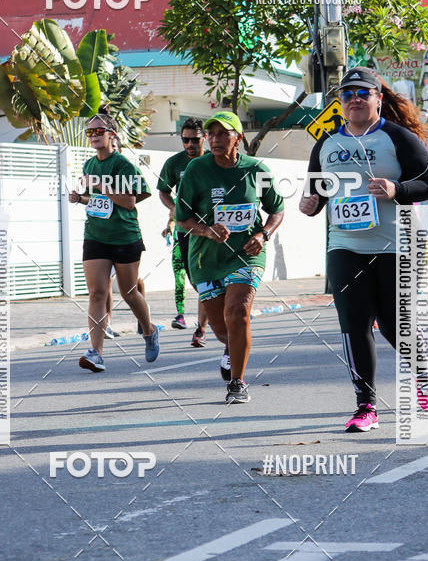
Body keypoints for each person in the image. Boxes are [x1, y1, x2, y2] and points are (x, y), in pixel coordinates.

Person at [300, 67, 428, 432]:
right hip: (345, 245)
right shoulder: (326, 144)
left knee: (395, 325)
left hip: (394, 246)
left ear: (378, 98)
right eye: (348, 94)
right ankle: (366, 407)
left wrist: (398, 190)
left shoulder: (397, 137)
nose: (355, 99)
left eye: (363, 93)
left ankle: (423, 376)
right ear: (340, 103)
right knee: (355, 325)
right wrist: (311, 204)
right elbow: (316, 193)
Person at [175, 111, 284, 403]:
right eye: (211, 134)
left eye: (223, 133)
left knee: (238, 313)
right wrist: (207, 231)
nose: (215, 139)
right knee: (223, 328)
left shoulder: (256, 169)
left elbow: (277, 209)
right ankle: (230, 347)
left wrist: (263, 235)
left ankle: (237, 382)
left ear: (238, 137)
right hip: (206, 259)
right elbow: (182, 219)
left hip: (246, 255)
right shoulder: (197, 170)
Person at [69, 108, 159, 370]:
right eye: (90, 132)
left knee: (129, 292)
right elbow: (96, 200)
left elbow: (129, 202)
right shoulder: (88, 164)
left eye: (99, 131)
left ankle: (149, 330)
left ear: (111, 135)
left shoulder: (122, 165)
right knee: (97, 293)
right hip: (96, 235)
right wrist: (80, 198)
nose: (94, 136)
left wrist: (99, 185)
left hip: (124, 235)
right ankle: (95, 352)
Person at [158, 118, 210, 345]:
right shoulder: (174, 163)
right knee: (195, 280)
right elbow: (163, 191)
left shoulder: (213, 160)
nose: (189, 144)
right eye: (185, 140)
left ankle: (201, 329)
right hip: (185, 230)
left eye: (194, 140)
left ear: (204, 139)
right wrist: (175, 209)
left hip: (211, 230)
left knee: (207, 279)